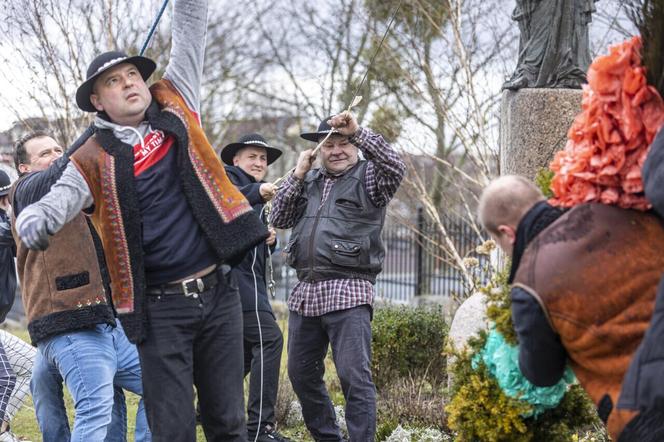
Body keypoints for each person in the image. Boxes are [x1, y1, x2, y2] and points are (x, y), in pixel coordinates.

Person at [14, 0, 267, 439]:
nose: (129, 83)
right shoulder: (90, 157)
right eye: (114, 81)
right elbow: (55, 201)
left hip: (219, 293)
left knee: (229, 423)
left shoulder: (176, 100)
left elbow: (191, 25)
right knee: (173, 430)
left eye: (133, 74)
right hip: (159, 309)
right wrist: (32, 219)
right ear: (97, 101)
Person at [477, 174, 664, 441]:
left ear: (507, 233)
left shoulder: (529, 284)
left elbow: (543, 374)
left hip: (641, 411)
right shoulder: (614, 208)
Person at [270, 112, 406, 441]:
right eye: (329, 144)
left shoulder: (371, 177)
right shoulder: (308, 181)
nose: (337, 150)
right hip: (306, 291)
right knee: (301, 374)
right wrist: (297, 175)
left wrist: (358, 131)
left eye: (344, 143)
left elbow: (395, 165)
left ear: (354, 145)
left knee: (353, 377)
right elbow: (278, 215)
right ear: (319, 150)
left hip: (349, 289)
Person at [10, 132, 149, 441]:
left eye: (58, 149)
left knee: (162, 384)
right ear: (23, 168)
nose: (56, 156)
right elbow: (59, 171)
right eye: (45, 153)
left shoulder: (79, 194)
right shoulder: (26, 190)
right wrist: (97, 130)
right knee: (94, 410)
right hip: (67, 323)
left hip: (106, 323)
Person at [220, 133, 289, 442]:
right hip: (235, 283)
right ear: (236, 160)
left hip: (251, 285)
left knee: (247, 353)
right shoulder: (229, 181)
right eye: (253, 156)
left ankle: (213, 404)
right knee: (270, 340)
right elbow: (225, 202)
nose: (259, 162)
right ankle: (260, 428)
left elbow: (245, 241)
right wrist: (256, 192)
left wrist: (269, 242)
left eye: (263, 158)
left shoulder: (253, 193)